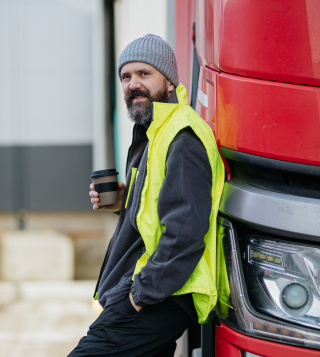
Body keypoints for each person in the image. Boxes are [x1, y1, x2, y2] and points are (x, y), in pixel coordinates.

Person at [68, 34, 225, 357]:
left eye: (144, 74)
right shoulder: (152, 133)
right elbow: (160, 208)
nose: (132, 84)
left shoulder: (183, 135)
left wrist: (138, 297)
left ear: (168, 83)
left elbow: (185, 231)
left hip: (160, 294)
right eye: (126, 76)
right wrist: (123, 203)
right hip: (155, 292)